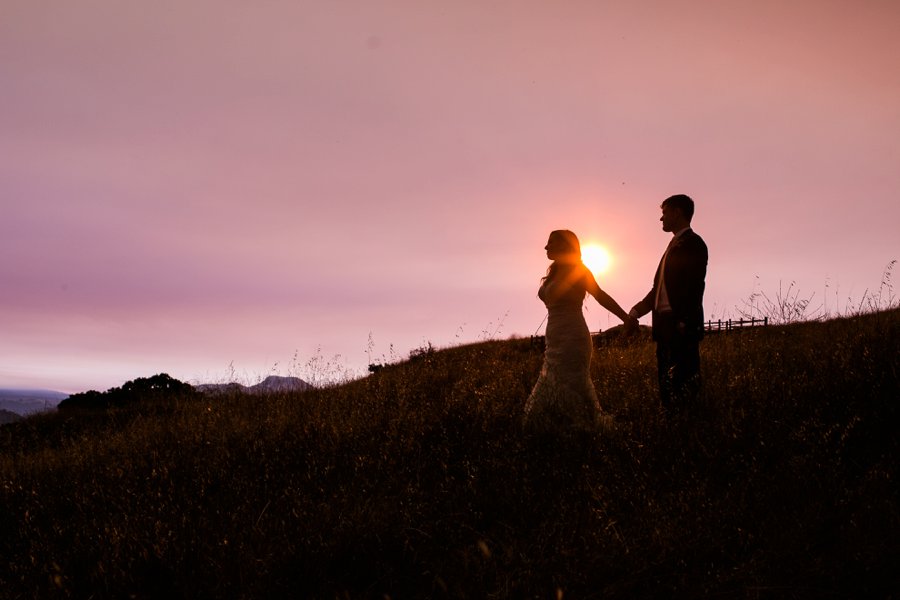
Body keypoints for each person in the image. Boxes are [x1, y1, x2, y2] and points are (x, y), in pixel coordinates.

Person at [524, 229, 633, 434]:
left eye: (551, 243)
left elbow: (600, 295)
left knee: (571, 384)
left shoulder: (579, 271)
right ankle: (559, 433)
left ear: (565, 246)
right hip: (554, 338)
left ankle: (581, 432)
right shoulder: (554, 272)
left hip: (573, 338)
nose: (546, 247)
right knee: (551, 384)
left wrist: (626, 318)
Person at [629, 194, 708, 415]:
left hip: (681, 326)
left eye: (664, 213)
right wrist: (636, 311)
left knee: (686, 381)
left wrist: (684, 320)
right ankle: (670, 424)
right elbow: (659, 290)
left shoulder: (694, 243)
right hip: (663, 326)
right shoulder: (670, 248)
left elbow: (695, 286)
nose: (661, 219)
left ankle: (690, 427)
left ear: (677, 212)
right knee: (666, 382)